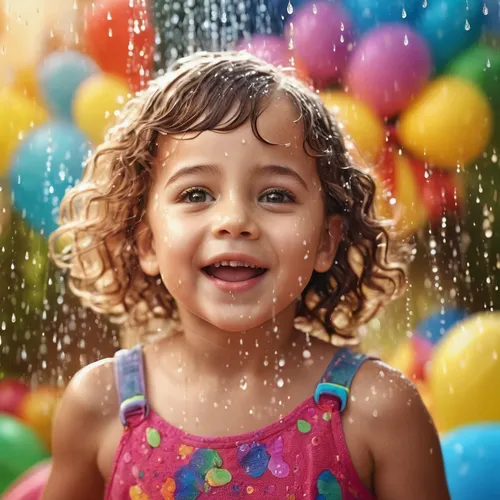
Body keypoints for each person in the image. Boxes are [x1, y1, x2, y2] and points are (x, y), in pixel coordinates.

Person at [44, 51, 450, 500]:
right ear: (147, 243)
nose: (235, 219)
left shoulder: (377, 411)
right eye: (196, 193)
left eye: (276, 195)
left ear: (324, 242)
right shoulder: (101, 405)